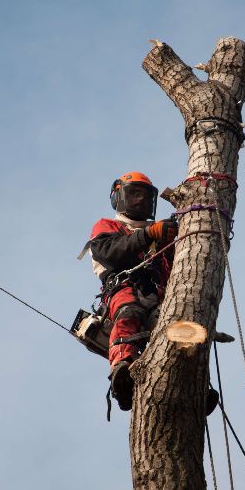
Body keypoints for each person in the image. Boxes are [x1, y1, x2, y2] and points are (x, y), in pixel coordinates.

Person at [85, 171, 178, 411]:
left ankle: (189, 385)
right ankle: (123, 369)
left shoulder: (158, 232)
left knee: (174, 330)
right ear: (120, 196)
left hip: (159, 294)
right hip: (124, 286)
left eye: (145, 196)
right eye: (134, 193)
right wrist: (148, 235)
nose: (140, 200)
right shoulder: (108, 226)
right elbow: (109, 252)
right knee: (129, 313)